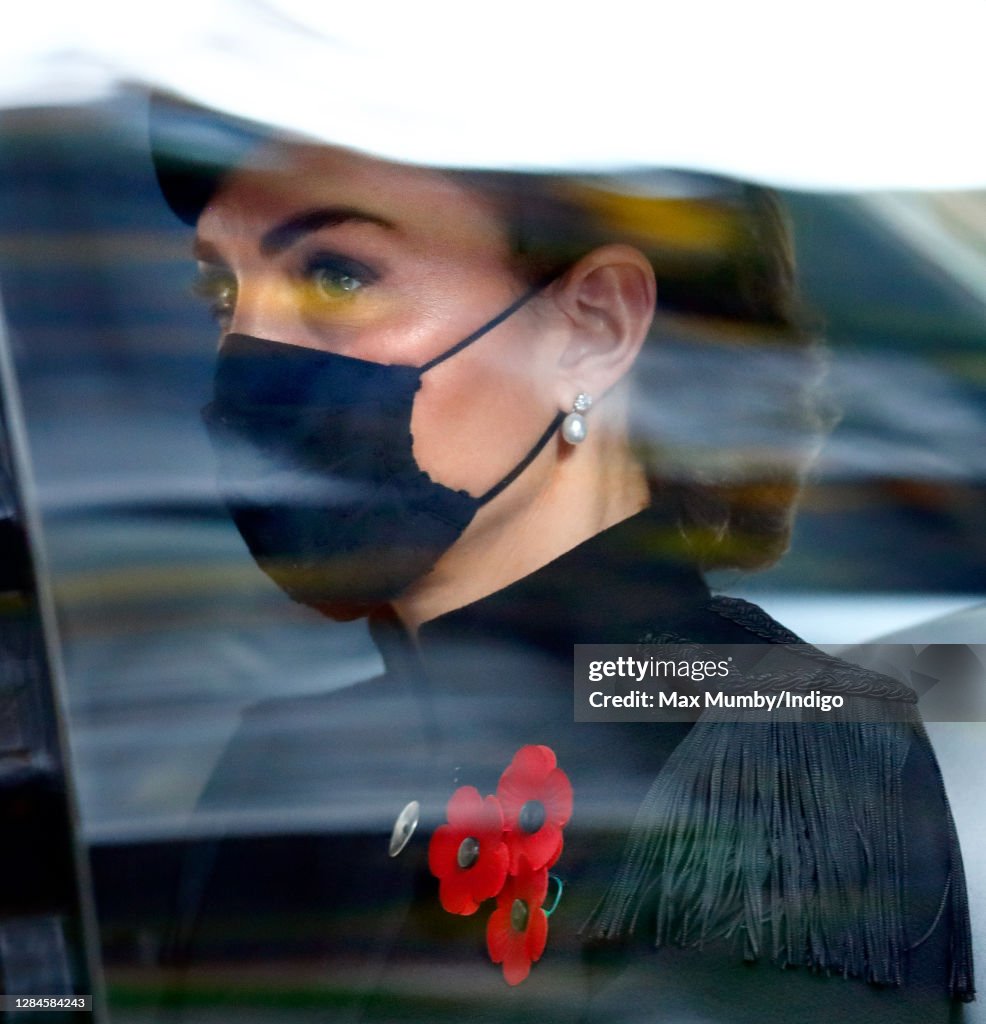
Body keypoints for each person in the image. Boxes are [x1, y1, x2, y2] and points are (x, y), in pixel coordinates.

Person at [150, 102, 974, 1023]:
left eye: (337, 276)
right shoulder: (278, 764)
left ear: (592, 327)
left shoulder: (773, 747)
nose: (248, 354)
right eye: (224, 298)